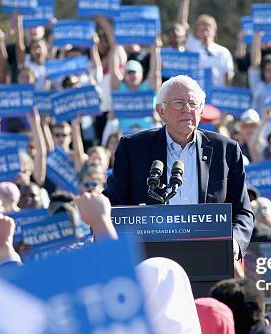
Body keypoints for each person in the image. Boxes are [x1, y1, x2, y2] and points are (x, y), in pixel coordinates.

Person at [103, 75, 254, 259]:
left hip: (209, 259)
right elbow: (113, 205)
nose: (187, 109)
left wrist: (235, 242)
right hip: (150, 261)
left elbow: (243, 211)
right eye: (178, 103)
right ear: (161, 110)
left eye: (193, 103)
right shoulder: (133, 149)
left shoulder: (226, 150)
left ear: (201, 110)